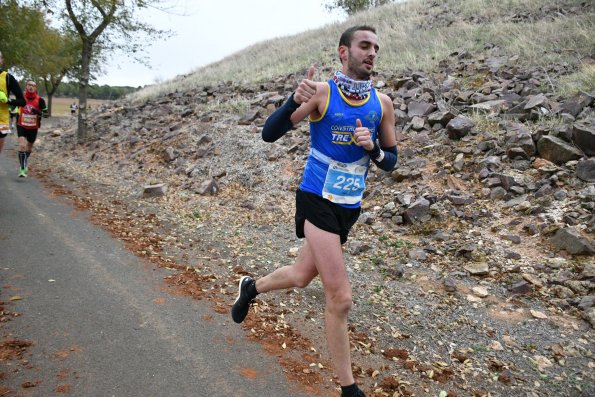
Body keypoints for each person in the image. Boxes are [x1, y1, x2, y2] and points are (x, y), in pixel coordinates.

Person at [231, 26, 398, 397]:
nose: (372, 53)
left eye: (376, 48)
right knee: (340, 297)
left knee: (301, 275)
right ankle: (348, 389)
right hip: (316, 200)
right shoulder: (322, 93)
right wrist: (292, 102)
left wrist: (373, 150)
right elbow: (269, 133)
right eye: (364, 46)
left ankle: (251, 288)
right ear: (344, 53)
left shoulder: (382, 104)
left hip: (348, 208)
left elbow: (392, 162)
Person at [16, 80, 48, 177]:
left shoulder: (40, 100)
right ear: (26, 86)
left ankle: (25, 160)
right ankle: (22, 168)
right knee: (22, 146)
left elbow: (46, 115)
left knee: (29, 147)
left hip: (33, 127)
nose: (31, 87)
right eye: (29, 85)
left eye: (33, 86)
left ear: (35, 88)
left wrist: (37, 112)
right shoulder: (21, 98)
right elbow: (14, 107)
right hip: (21, 125)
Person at [0, 50, 25, 158]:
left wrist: (8, 100)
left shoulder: (8, 78)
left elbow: (22, 101)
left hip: (2, 120)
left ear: (1, 61)